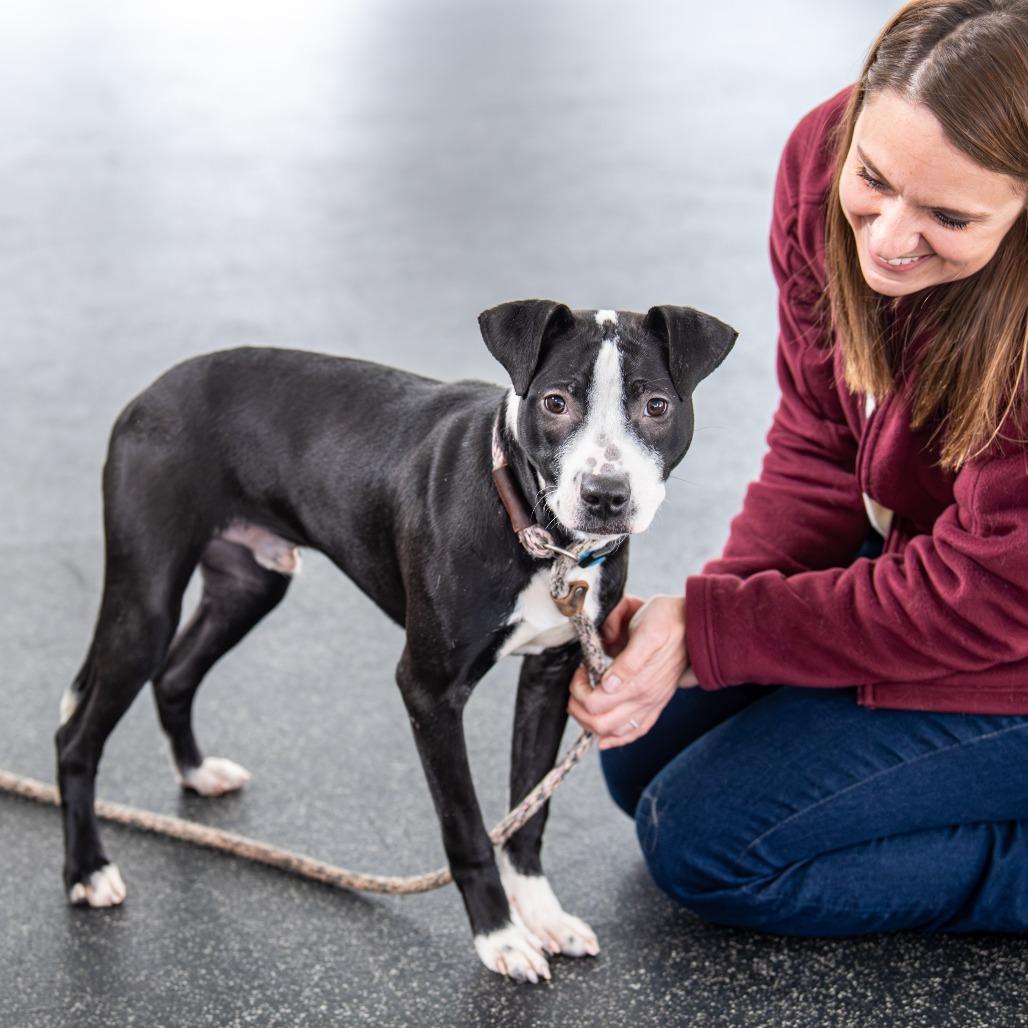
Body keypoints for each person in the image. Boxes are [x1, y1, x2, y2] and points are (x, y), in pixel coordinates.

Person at [568, 0, 1028, 935]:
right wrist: (707, 617)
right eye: (875, 178)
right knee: (643, 752)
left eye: (947, 216)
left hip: (1005, 611)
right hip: (957, 570)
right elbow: (823, 443)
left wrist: (718, 631)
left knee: (709, 844)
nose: (888, 239)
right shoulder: (821, 159)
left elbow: (986, 596)